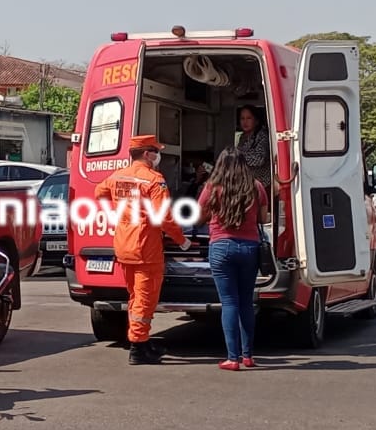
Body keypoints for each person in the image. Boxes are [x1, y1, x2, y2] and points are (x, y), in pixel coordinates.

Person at [94, 134, 191, 365]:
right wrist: (181, 240)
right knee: (144, 300)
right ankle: (138, 348)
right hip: (145, 248)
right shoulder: (153, 180)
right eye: (156, 151)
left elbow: (99, 192)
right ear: (147, 154)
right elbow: (165, 217)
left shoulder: (118, 176)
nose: (158, 156)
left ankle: (141, 341)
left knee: (135, 297)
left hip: (124, 245)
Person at [195, 148, 269, 371]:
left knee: (229, 303)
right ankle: (248, 356)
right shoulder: (256, 187)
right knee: (246, 302)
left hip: (221, 247)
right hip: (249, 248)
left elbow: (199, 218)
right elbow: (263, 218)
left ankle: (232, 358)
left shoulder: (211, 188)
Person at [236, 105, 272, 191]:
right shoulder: (243, 137)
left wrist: (238, 156)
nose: (245, 122)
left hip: (261, 185)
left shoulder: (262, 136)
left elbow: (259, 159)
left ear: (256, 121)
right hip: (247, 184)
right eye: (242, 118)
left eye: (249, 118)